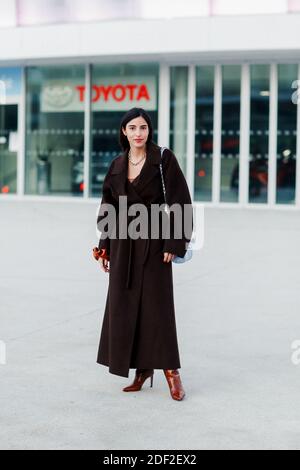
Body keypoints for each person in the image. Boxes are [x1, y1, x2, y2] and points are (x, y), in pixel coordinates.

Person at [94, 107, 193, 401]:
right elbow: (109, 209)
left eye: (143, 128)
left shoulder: (162, 159)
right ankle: (142, 369)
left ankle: (171, 372)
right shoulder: (116, 164)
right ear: (124, 131)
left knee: (158, 308)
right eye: (133, 128)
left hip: (154, 242)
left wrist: (175, 243)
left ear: (149, 131)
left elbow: (181, 201)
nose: (139, 133)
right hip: (123, 244)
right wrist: (105, 247)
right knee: (124, 307)